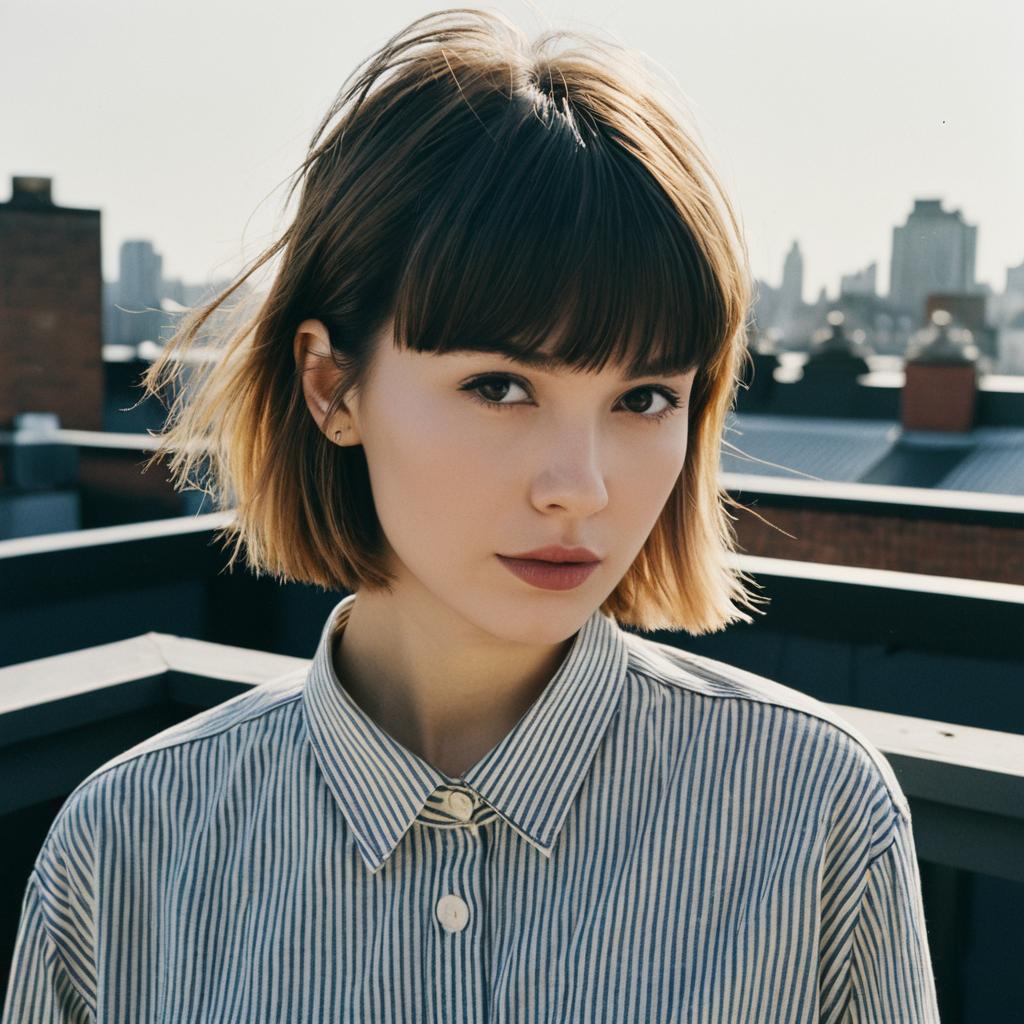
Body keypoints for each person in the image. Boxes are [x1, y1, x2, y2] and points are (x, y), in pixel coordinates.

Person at [2, 8, 941, 1022]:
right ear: (331, 386)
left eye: (643, 398)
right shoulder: (127, 848)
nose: (579, 486)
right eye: (500, 386)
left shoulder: (815, 815)